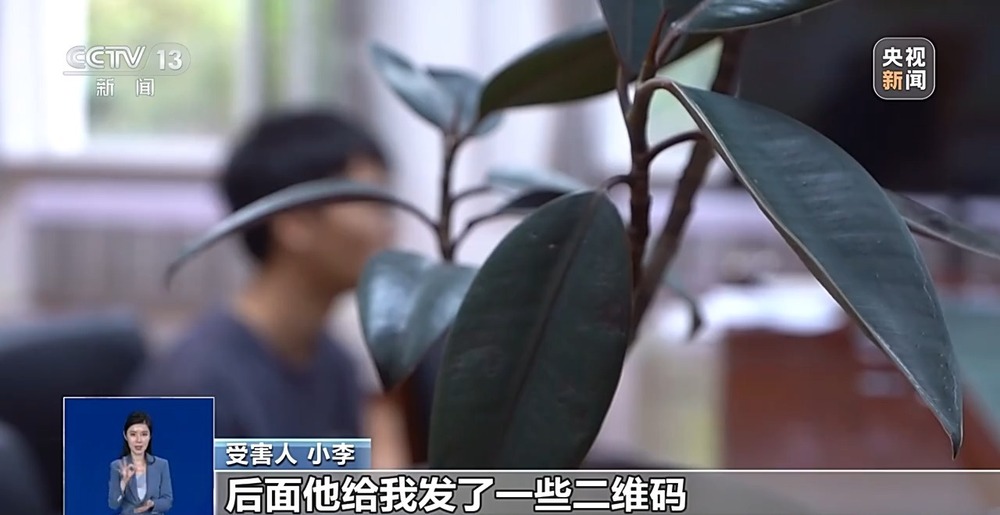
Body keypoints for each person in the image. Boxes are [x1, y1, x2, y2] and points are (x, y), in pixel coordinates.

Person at [127, 109, 412, 465]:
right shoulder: (193, 385)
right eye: (371, 204)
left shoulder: (334, 363)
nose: (388, 228)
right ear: (294, 221)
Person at [108, 411, 173, 514]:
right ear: (125, 436)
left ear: (150, 436)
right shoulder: (117, 466)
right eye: (133, 434)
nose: (139, 440)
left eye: (144, 434)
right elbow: (113, 504)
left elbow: (167, 501)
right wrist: (123, 482)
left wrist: (152, 504)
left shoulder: (161, 465)